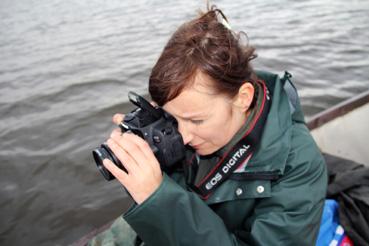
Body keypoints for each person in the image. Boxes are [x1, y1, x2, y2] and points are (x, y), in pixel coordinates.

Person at [89, 6, 327, 246]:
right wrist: (149, 154)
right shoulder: (192, 120)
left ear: (243, 98)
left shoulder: (300, 165)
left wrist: (158, 198)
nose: (182, 136)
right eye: (172, 119)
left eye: (196, 120)